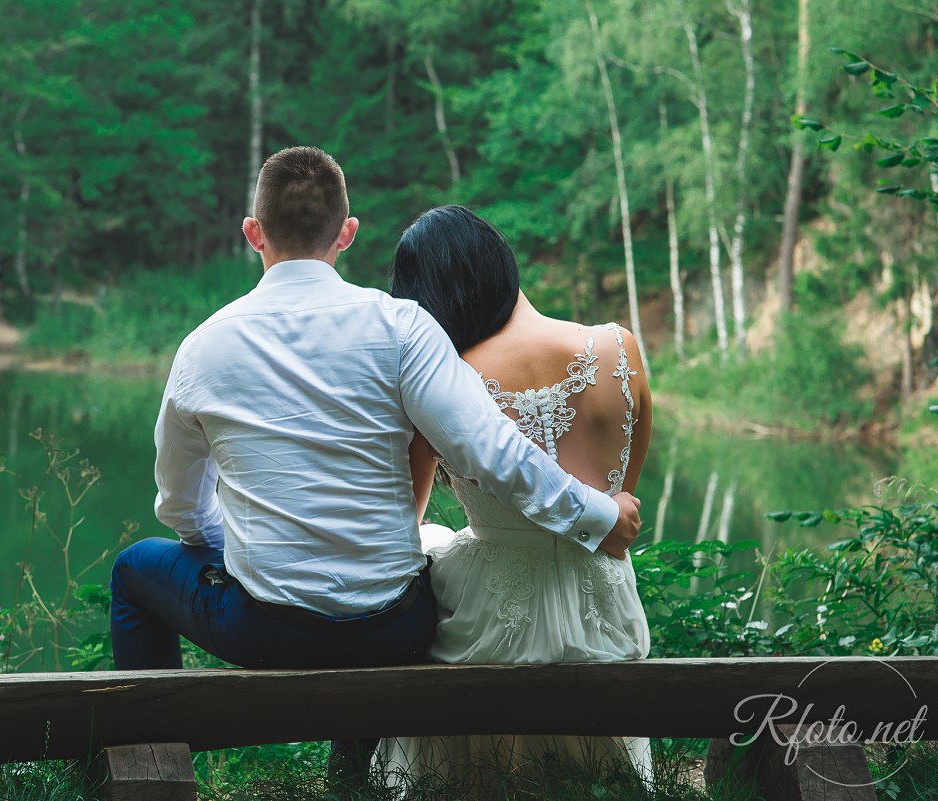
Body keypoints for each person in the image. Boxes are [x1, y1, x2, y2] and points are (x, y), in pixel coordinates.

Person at [109, 148, 642, 780]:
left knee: (132, 571)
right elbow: (488, 447)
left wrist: (226, 550)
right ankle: (352, 780)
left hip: (264, 632)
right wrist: (595, 513)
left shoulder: (202, 348)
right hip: (393, 626)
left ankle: (150, 761)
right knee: (393, 579)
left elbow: (177, 504)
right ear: (347, 233)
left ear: (253, 233)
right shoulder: (403, 326)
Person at [374, 205, 654, 791]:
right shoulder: (618, 349)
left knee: (428, 547)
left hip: (489, 620)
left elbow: (405, 518)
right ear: (503, 264)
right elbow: (620, 505)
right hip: (600, 609)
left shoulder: (442, 383)